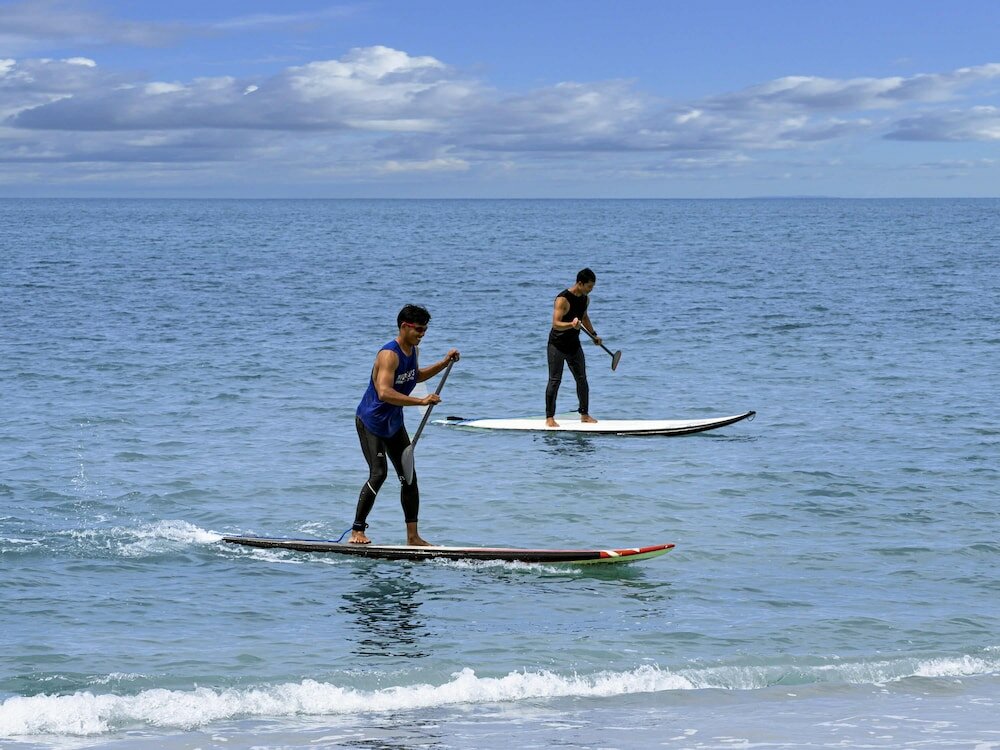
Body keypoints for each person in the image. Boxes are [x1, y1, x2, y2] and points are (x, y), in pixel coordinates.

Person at [352, 304, 460, 545]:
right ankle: (357, 531)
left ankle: (413, 537)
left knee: (409, 478)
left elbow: (415, 375)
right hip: (371, 422)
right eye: (419, 330)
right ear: (404, 327)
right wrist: (420, 400)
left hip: (393, 423)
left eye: (425, 330)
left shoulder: (413, 351)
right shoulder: (388, 354)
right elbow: (384, 392)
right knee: (379, 474)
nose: (422, 334)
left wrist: (444, 363)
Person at [546, 268, 602, 428]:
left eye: (592, 287)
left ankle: (584, 415)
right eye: (589, 286)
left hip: (574, 345)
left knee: (582, 379)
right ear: (580, 283)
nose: (591, 290)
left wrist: (593, 335)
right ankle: (549, 418)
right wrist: (571, 324)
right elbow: (555, 324)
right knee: (555, 380)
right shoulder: (562, 299)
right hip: (556, 345)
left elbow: (584, 317)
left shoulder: (585, 299)